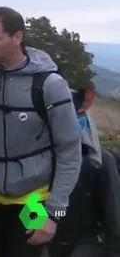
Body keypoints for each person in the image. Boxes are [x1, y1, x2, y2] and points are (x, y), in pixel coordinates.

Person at [0, 6, 82, 257]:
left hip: (35, 200)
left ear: (17, 37)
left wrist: (54, 215)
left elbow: (70, 152)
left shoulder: (50, 85)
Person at [48, 97, 120, 257]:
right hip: (54, 239)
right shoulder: (43, 159)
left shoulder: (98, 162)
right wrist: (40, 225)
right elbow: (32, 200)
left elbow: (114, 216)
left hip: (89, 242)